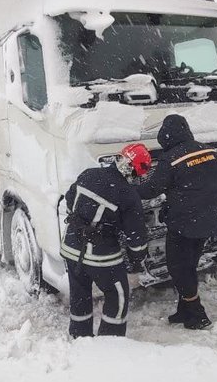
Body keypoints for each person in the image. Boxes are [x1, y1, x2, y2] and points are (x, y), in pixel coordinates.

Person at [137, 114, 217, 330]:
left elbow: (151, 189)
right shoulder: (211, 152)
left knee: (178, 269)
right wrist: (211, 208)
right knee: (188, 266)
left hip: (182, 225)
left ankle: (198, 315)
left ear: (166, 135)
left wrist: (127, 188)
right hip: (206, 222)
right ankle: (184, 311)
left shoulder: (170, 159)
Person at [60, 143, 152, 338]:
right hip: (101, 256)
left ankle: (79, 335)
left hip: (70, 247)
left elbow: (69, 200)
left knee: (80, 292)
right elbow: (136, 238)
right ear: (136, 172)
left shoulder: (88, 174)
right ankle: (110, 341)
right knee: (118, 294)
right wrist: (136, 261)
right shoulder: (128, 195)